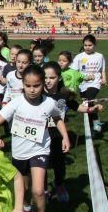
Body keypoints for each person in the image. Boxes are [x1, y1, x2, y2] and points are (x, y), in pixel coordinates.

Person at [0, 64, 69, 212]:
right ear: (23, 85)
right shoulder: (16, 103)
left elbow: (57, 118)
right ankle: (26, 209)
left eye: (37, 86)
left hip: (40, 150)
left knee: (39, 191)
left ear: (43, 85)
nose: (32, 90)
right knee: (24, 189)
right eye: (28, 86)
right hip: (19, 154)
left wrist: (65, 136)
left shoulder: (49, 103)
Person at [43, 62, 102, 204]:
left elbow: (77, 107)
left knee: (58, 162)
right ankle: (43, 189)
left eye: (52, 77)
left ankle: (59, 185)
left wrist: (92, 109)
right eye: (45, 77)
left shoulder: (64, 94)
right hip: (40, 135)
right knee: (42, 163)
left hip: (58, 135)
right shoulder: (38, 93)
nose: (48, 81)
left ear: (59, 78)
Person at [71, 35, 106, 133]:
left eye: (90, 45)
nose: (87, 47)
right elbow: (74, 72)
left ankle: (95, 122)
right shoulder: (79, 57)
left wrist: (104, 79)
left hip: (95, 83)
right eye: (85, 45)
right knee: (88, 105)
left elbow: (102, 69)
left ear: (94, 45)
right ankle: (93, 125)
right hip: (82, 85)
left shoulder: (99, 56)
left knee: (89, 99)